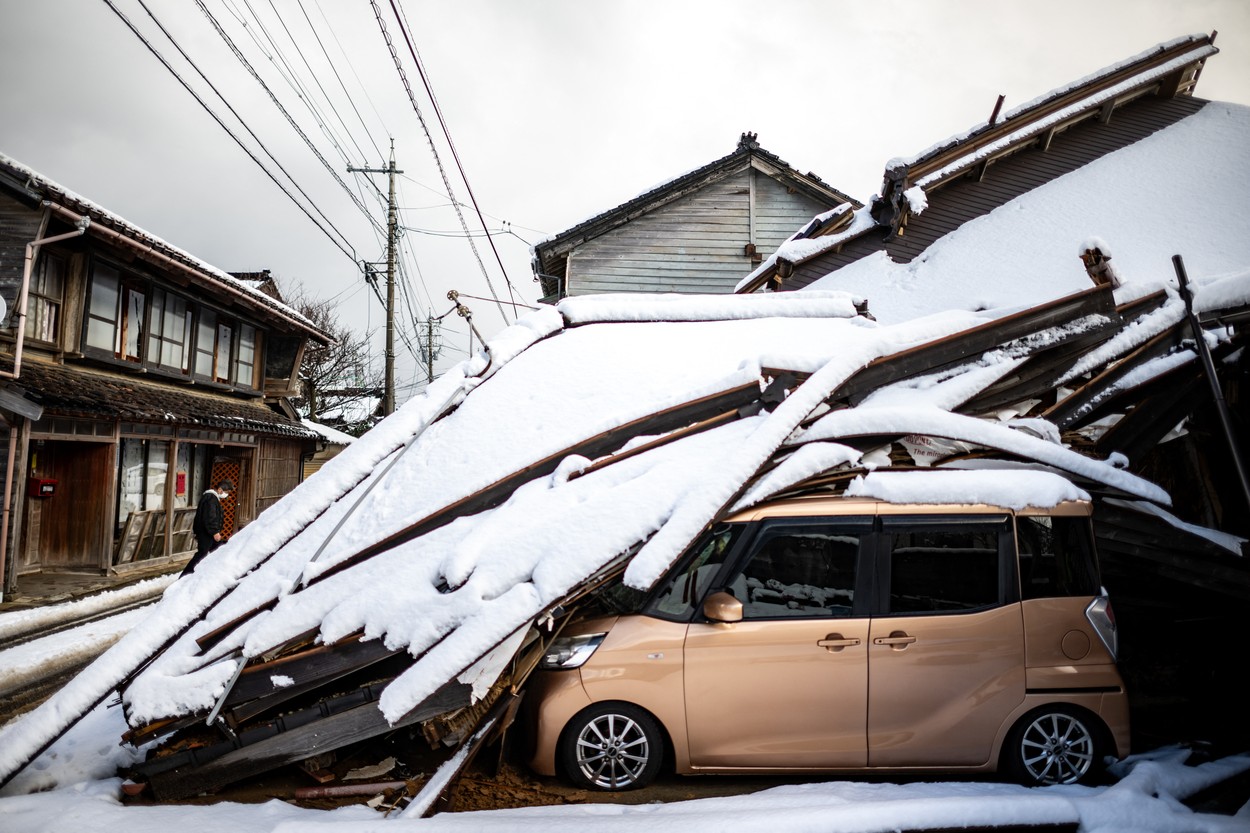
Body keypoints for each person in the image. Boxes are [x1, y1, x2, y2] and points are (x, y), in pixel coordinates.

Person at [182, 479, 232, 576]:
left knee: (218, 550)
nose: (226, 495)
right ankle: (186, 575)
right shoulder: (211, 498)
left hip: (206, 531)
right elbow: (210, 517)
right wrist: (215, 532)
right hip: (206, 532)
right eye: (226, 492)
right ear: (220, 490)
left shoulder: (211, 497)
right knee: (202, 553)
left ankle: (213, 573)